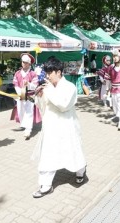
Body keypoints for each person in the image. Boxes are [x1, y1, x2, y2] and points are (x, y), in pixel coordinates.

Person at [31, 57, 87, 198]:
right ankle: (45, 185)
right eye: (47, 73)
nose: (48, 76)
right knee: (48, 154)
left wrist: (48, 91)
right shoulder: (48, 87)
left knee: (73, 151)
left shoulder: (70, 87)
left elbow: (63, 105)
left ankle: (80, 171)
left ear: (59, 72)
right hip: (50, 127)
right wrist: (39, 95)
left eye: (50, 73)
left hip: (67, 126)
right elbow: (42, 106)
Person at [13, 53, 41, 139]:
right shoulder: (17, 73)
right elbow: (15, 84)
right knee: (21, 110)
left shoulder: (33, 74)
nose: (24, 64)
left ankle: (28, 130)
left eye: (26, 62)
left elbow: (35, 85)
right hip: (20, 95)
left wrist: (28, 84)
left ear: (29, 64)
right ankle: (23, 125)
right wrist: (19, 93)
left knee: (29, 111)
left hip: (30, 96)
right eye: (23, 62)